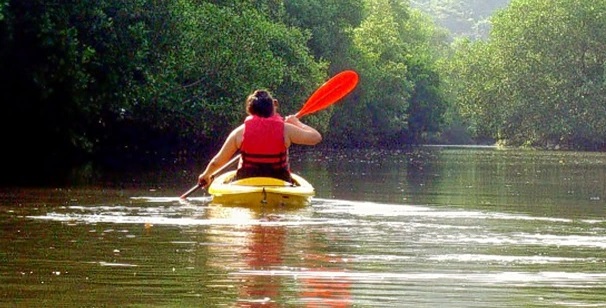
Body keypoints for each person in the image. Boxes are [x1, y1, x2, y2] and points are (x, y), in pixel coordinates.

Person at [198, 89, 322, 187]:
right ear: (273, 106)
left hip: (246, 182)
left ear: (250, 110)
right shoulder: (286, 129)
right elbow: (316, 137)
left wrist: (206, 175)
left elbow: (217, 161)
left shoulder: (240, 132)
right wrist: (296, 122)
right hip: (279, 182)